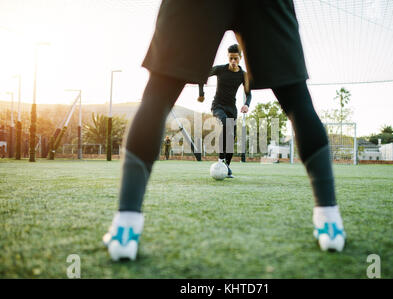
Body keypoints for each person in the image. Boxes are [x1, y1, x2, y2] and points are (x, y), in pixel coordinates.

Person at [103, 0, 346, 261]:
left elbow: (245, 91)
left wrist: (243, 103)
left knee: (158, 94)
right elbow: (206, 75)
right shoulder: (221, 69)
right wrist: (200, 91)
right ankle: (329, 222)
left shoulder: (239, 73)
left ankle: (125, 228)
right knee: (297, 100)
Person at [197, 43, 252, 178]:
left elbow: (249, 93)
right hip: (218, 106)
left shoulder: (243, 75)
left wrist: (246, 104)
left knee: (231, 136)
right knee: (225, 124)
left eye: (236, 58)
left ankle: (226, 165)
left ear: (240, 58)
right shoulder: (220, 69)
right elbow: (201, 75)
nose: (233, 61)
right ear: (228, 57)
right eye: (230, 58)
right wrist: (201, 94)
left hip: (231, 108)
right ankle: (221, 160)